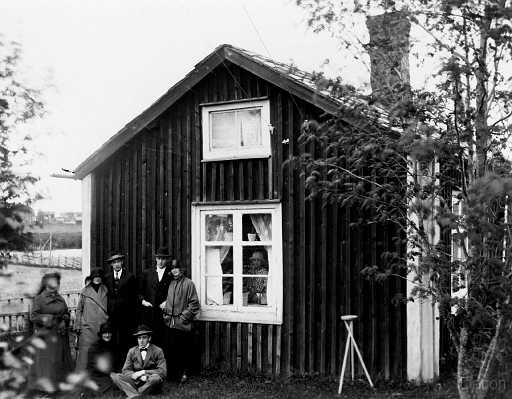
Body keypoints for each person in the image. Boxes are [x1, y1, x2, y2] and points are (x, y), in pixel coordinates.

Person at [27, 272, 73, 394]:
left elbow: (66, 312)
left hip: (60, 335)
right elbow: (33, 316)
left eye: (57, 284)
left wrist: (64, 319)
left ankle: (58, 385)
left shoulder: (60, 298)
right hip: (46, 337)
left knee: (59, 362)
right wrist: (51, 319)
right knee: (47, 363)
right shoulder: (39, 299)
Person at [163, 260, 199, 382]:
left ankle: (184, 374)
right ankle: (172, 375)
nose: (174, 270)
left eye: (176, 268)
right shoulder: (171, 283)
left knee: (183, 350)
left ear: (181, 269)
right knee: (172, 349)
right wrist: (166, 316)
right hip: (170, 322)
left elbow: (194, 304)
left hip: (183, 324)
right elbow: (168, 301)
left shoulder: (189, 284)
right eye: (172, 268)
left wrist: (183, 318)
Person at [110, 325, 166, 399]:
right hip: (136, 381)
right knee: (115, 376)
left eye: (144, 337)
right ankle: (138, 393)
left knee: (156, 378)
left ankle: (133, 393)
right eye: (139, 338)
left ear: (149, 338)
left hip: (149, 381)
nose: (141, 341)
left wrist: (143, 372)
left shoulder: (158, 351)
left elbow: (162, 371)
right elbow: (125, 370)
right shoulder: (132, 351)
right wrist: (138, 377)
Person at [104, 253, 137, 371]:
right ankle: (113, 366)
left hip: (126, 315)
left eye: (119, 261)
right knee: (112, 340)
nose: (116, 264)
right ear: (111, 264)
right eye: (114, 262)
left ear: (122, 262)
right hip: (112, 315)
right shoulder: (107, 278)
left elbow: (134, 298)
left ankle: (125, 366)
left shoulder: (129, 277)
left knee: (125, 340)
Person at [137, 247, 173, 347]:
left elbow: (176, 292)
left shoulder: (171, 274)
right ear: (156, 259)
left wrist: (167, 302)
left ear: (167, 260)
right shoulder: (147, 273)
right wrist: (143, 301)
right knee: (150, 340)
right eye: (159, 258)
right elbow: (139, 292)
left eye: (163, 259)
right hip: (149, 313)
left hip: (165, 313)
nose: (161, 261)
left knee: (164, 340)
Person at [75, 267, 109, 371]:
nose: (97, 278)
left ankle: (98, 375)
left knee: (100, 352)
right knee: (85, 353)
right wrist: (78, 325)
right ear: (92, 278)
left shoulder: (105, 290)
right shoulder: (85, 291)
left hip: (102, 327)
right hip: (88, 328)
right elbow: (79, 309)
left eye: (99, 277)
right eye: (95, 276)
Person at [83, 322, 116, 397]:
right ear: (101, 335)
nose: (107, 335)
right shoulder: (94, 347)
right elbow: (93, 366)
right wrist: (109, 372)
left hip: (108, 375)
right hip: (95, 375)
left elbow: (115, 362)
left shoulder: (113, 346)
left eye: (109, 333)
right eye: (105, 333)